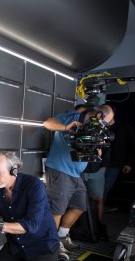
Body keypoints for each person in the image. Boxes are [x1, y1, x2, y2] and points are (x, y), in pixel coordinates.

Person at [43, 104, 114, 252]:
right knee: (57, 211)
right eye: (105, 122)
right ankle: (51, 247)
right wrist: (66, 127)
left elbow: (98, 154)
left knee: (80, 206)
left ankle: (62, 236)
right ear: (98, 115)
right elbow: (47, 123)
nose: (104, 125)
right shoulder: (74, 116)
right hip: (60, 170)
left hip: (76, 174)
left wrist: (96, 145)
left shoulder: (96, 129)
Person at [102, 110, 135, 212]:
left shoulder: (123, 128)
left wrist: (129, 163)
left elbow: (132, 145)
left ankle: (98, 209)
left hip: (114, 163)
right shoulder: (100, 127)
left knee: (105, 188)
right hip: (99, 163)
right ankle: (96, 209)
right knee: (98, 188)